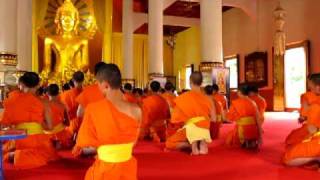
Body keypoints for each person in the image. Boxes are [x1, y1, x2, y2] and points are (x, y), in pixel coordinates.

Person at [73, 63, 141, 180]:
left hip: (105, 169)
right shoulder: (136, 110)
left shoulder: (93, 109)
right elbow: (134, 142)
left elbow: (85, 143)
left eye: (98, 84)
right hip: (127, 167)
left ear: (105, 85)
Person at [1, 72, 58, 169]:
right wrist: (38, 123)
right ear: (38, 85)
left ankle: (16, 154)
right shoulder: (44, 102)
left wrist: (13, 126)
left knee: (5, 150)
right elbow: (50, 127)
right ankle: (18, 155)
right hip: (38, 140)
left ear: (21, 85)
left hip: (19, 139)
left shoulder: (12, 100)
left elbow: (3, 125)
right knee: (44, 154)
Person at [166, 72, 216, 155]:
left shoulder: (183, 98)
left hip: (191, 127)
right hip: (205, 127)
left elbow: (175, 119)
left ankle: (189, 144)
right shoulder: (208, 98)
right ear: (202, 82)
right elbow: (214, 119)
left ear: (190, 82)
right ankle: (201, 141)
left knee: (169, 143)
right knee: (199, 127)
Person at [285, 74, 320, 148]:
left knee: (293, 144)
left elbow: (304, 116)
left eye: (309, 83)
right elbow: (304, 115)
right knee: (291, 139)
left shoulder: (306, 97)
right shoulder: (307, 96)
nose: (308, 85)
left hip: (313, 130)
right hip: (313, 128)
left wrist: (303, 117)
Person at [225, 85, 262, 149]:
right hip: (253, 128)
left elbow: (229, 119)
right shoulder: (253, 103)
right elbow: (258, 119)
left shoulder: (235, 103)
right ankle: (251, 140)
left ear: (239, 92)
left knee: (230, 137)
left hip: (241, 129)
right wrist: (260, 134)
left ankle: (244, 141)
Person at [46, 84, 71, 148]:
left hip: (46, 134)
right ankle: (57, 142)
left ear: (47, 93)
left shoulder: (43, 105)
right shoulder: (62, 105)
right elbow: (68, 123)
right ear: (58, 93)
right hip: (60, 133)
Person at [61, 71, 84, 137]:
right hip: (84, 125)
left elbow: (63, 113)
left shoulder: (66, 94)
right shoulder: (87, 92)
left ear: (73, 80)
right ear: (83, 80)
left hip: (71, 126)